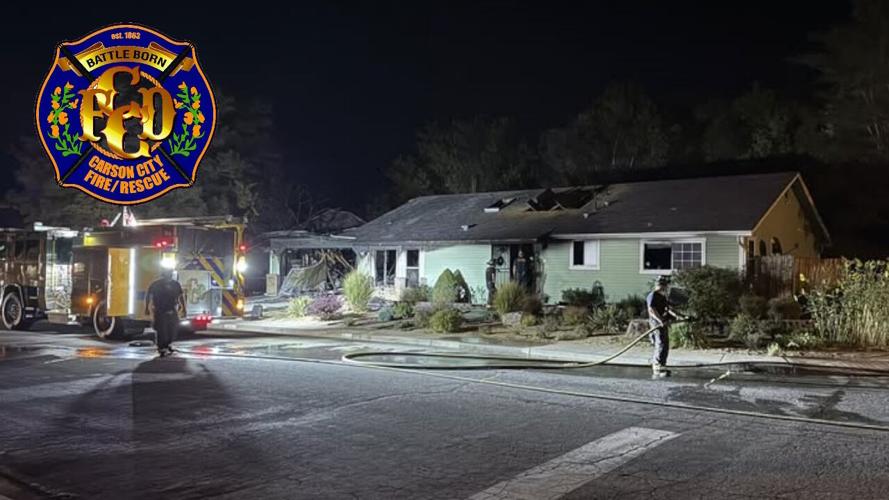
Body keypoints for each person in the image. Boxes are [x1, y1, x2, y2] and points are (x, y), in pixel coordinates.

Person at [145, 269, 186, 357]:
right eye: (168, 273)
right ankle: (161, 347)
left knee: (173, 329)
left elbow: (181, 297)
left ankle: (168, 344)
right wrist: (147, 308)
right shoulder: (156, 284)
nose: (169, 275)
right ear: (164, 274)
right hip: (160, 310)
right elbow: (149, 296)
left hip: (172, 309)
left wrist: (184, 308)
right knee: (161, 330)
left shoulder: (175, 284)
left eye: (170, 274)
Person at [646, 275, 678, 378]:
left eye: (664, 285)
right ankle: (657, 365)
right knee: (660, 343)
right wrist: (660, 320)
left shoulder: (663, 297)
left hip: (662, 322)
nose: (664, 287)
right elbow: (651, 310)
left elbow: (668, 309)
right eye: (662, 285)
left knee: (665, 343)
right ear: (658, 285)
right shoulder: (652, 295)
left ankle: (662, 364)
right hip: (655, 323)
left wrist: (678, 315)